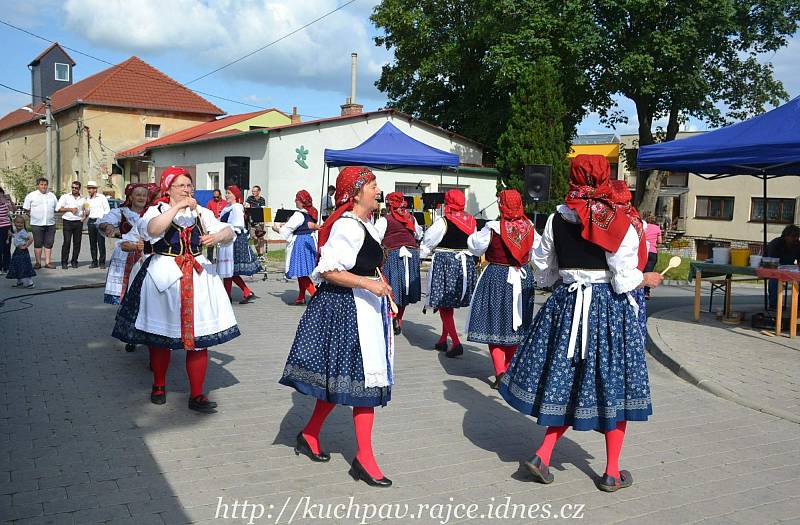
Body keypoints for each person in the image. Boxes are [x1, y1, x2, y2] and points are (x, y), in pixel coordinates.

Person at [498, 155, 663, 492]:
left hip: (567, 305)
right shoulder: (617, 221)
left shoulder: (557, 218)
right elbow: (622, 279)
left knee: (568, 384)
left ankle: (543, 456)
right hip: (608, 310)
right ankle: (612, 472)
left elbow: (543, 271)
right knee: (614, 387)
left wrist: (570, 276)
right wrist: (647, 278)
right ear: (605, 177)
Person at [279, 166, 395, 488]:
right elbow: (328, 269)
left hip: (363, 308)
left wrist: (380, 284)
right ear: (357, 192)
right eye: (373, 184)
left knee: (341, 382)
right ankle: (365, 460)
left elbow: (365, 264)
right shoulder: (347, 226)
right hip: (346, 311)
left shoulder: (365, 224)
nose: (377, 189)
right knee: (365, 387)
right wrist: (368, 285)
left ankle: (310, 434)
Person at [111, 167, 239, 413]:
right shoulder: (156, 210)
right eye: (180, 186)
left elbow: (229, 231)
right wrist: (177, 207)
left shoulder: (201, 212)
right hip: (165, 277)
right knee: (162, 337)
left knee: (199, 341)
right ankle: (159, 385)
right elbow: (153, 230)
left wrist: (219, 236)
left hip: (199, 277)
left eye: (189, 185)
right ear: (167, 188)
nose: (187, 190)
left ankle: (197, 394)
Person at [466, 190, 537, 389]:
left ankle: (500, 372)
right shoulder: (529, 226)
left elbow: (475, 247)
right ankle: (509, 369)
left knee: (495, 324)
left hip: (497, 277)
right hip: (522, 277)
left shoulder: (492, 227)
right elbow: (539, 251)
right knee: (516, 325)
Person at [420, 189, 478, 357]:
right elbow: (475, 244)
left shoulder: (443, 222)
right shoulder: (471, 221)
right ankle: (443, 340)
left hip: (446, 263)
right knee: (448, 305)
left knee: (444, 304)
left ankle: (456, 342)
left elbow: (429, 240)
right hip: (464, 264)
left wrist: (421, 255)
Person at [98, 183, 158, 305]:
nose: (141, 198)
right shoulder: (121, 212)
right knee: (125, 286)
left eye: (144, 195)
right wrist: (108, 226)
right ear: (130, 197)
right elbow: (103, 222)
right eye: (138, 195)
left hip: (146, 253)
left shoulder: (151, 213)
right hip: (126, 252)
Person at [375, 191, 423, 335]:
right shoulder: (412, 219)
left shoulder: (385, 220)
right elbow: (418, 235)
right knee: (405, 290)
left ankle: (392, 319)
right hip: (411, 256)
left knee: (392, 290)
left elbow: (376, 238)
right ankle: (399, 319)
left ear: (389, 205)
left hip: (394, 256)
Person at [610, 180, 649, 346]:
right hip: (634, 283)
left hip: (612, 285)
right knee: (631, 338)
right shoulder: (637, 220)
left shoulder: (610, 220)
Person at [216, 185, 261, 304]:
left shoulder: (236, 207)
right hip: (229, 238)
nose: (226, 195)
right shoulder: (229, 207)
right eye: (226, 193)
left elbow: (238, 224)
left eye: (229, 193)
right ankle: (245, 292)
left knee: (230, 269)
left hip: (234, 239)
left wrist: (224, 230)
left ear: (235, 195)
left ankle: (230, 295)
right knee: (230, 269)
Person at [272, 190, 319, 305]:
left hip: (301, 242)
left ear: (301, 201)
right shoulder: (310, 213)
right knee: (301, 270)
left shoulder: (299, 214)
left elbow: (287, 230)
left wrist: (276, 228)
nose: (295, 201)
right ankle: (301, 296)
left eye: (296, 199)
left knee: (301, 271)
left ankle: (316, 296)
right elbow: (299, 226)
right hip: (309, 240)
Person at [22, 177, 58, 269]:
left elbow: (56, 208)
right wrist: (32, 216)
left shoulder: (51, 195)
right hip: (37, 224)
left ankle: (48, 262)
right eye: (41, 184)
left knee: (49, 243)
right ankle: (38, 262)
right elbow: (26, 209)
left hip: (50, 223)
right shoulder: (31, 195)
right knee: (38, 243)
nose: (44, 186)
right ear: (37, 185)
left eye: (45, 185)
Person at [766, 224, 800, 309]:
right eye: (793, 236)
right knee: (774, 279)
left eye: (798, 237)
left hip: (790, 268)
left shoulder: (797, 245)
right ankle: (774, 305)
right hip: (773, 268)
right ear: (786, 236)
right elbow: (771, 262)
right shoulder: (776, 243)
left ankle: (798, 305)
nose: (796, 239)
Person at [56, 181, 87, 269]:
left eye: (76, 188)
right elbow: (58, 209)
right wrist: (70, 209)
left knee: (77, 243)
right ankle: (64, 262)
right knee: (67, 242)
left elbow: (87, 209)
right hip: (67, 221)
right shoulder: (65, 197)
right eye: (72, 187)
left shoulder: (83, 199)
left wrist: (84, 217)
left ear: (79, 189)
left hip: (78, 222)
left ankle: (74, 261)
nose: (74, 189)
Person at [86, 181, 111, 269]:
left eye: (91, 188)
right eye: (88, 188)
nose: (89, 190)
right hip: (91, 221)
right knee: (92, 243)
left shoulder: (102, 197)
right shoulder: (87, 199)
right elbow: (87, 210)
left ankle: (102, 262)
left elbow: (107, 210)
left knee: (101, 243)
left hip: (100, 221)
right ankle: (94, 261)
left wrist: (104, 221)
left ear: (95, 189)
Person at [6, 215, 35, 288]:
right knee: (16, 265)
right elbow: (16, 236)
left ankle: (30, 282)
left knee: (24, 265)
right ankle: (19, 281)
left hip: (22, 251)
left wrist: (25, 246)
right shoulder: (17, 231)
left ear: (24, 224)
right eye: (18, 222)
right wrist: (11, 234)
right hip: (17, 250)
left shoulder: (23, 232)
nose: (19, 224)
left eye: (21, 223)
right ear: (14, 223)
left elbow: (30, 239)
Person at [643, 215, 662, 299]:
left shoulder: (644, 226)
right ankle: (646, 292)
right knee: (649, 272)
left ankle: (638, 290)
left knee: (641, 271)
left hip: (643, 251)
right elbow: (660, 241)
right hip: (652, 252)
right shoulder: (657, 228)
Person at [245, 186, 267, 256]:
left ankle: (261, 254)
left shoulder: (262, 199)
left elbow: (262, 209)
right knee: (254, 237)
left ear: (258, 192)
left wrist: (253, 207)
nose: (253, 192)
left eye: (255, 191)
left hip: (260, 221)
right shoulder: (250, 198)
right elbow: (246, 206)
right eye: (252, 191)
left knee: (260, 237)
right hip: (252, 221)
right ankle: (259, 253)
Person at [205, 189, 227, 260]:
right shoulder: (210, 202)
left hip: (221, 225)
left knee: (220, 243)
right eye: (214, 197)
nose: (216, 198)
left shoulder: (225, 203)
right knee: (211, 243)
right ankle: (209, 259)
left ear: (220, 195)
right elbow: (207, 214)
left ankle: (219, 258)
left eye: (217, 197)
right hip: (212, 225)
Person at [0, 187, 12, 274]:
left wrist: (10, 200)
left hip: (7, 228)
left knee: (6, 248)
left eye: (1, 194)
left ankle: (7, 267)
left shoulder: (6, 203)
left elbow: (14, 210)